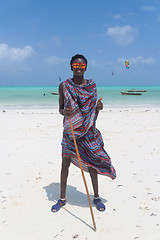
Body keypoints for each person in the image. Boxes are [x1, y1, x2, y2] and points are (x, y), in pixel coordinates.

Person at [51, 54, 116, 212]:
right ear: (71, 67)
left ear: (85, 67)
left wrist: (98, 107)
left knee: (92, 162)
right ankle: (62, 199)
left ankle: (96, 197)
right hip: (70, 130)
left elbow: (93, 107)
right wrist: (64, 111)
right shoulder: (64, 86)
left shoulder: (91, 86)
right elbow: (60, 108)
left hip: (88, 131)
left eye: (81, 66)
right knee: (65, 163)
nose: (78, 68)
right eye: (75, 65)